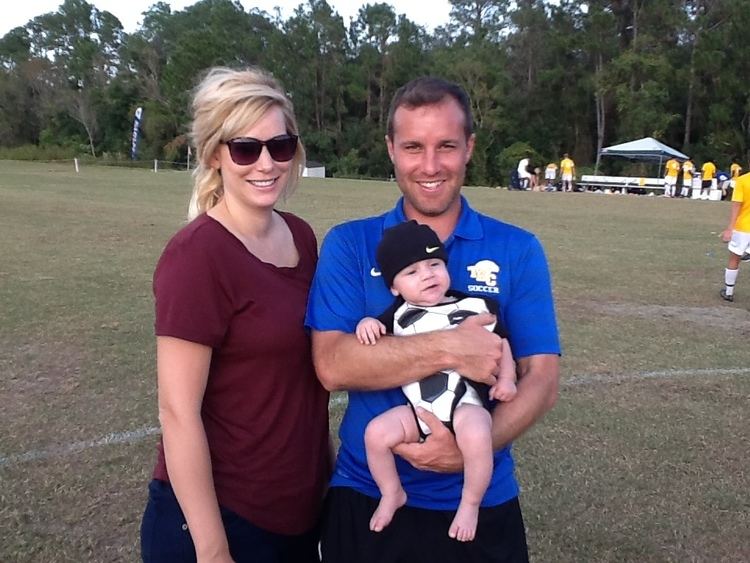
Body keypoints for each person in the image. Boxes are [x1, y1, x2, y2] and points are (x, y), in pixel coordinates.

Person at [306, 76, 560, 563]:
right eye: (413, 147)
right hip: (366, 494)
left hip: (482, 500)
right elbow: (333, 365)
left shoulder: (517, 248)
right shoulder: (350, 243)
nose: (429, 166)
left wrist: (470, 446)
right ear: (390, 150)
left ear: (468, 147)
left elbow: (542, 378)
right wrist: (447, 347)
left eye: (446, 146)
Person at [139, 66, 330, 563]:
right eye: (246, 148)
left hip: (297, 513)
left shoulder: (303, 238)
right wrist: (213, 549)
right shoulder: (197, 256)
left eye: (280, 146)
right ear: (215, 154)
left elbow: (306, 381)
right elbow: (177, 413)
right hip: (224, 521)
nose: (266, 163)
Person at [355, 220, 517, 542]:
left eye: (434, 264)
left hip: (464, 402)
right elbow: (374, 340)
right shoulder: (397, 315)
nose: (427, 274)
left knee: (477, 434)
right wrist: (366, 323)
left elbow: (502, 343)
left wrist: (508, 379)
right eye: (411, 272)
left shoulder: (472, 307)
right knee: (375, 434)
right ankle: (391, 493)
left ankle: (470, 504)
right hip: (419, 410)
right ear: (394, 287)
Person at [720, 171, 750, 302]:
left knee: (734, 258)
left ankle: (729, 292)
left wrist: (730, 228)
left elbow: (737, 204)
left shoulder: (743, 180)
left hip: (743, 226)